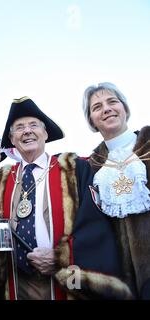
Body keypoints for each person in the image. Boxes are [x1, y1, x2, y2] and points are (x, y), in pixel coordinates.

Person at [0, 97, 132, 300]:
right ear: (12, 139)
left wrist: (60, 257)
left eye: (33, 125)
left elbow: (95, 227)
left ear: (45, 134)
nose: (27, 130)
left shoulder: (74, 170)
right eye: (19, 127)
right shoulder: (0, 181)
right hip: (15, 283)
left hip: (64, 282)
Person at [82, 82, 150, 299]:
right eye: (97, 107)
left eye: (112, 101)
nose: (107, 109)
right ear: (92, 120)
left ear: (125, 108)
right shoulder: (90, 168)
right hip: (121, 278)